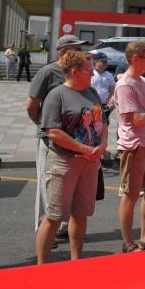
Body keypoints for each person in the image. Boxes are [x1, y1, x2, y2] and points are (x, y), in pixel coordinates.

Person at [36, 51, 105, 263]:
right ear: (74, 72)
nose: (93, 72)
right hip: (64, 161)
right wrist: (84, 149)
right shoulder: (56, 95)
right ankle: (42, 265)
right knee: (55, 216)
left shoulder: (91, 92)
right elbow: (53, 131)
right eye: (88, 69)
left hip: (89, 161)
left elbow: (102, 123)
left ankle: (76, 261)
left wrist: (101, 146)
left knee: (81, 213)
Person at [26, 34, 89, 235]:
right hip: (51, 138)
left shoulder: (79, 72)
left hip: (73, 139)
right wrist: (43, 125)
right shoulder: (48, 72)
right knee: (47, 185)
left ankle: (61, 227)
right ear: (63, 51)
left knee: (65, 186)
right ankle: (43, 228)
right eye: (76, 49)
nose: (80, 52)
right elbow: (32, 104)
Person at [114, 40, 145, 252]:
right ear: (136, 58)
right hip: (132, 145)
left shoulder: (144, 83)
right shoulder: (125, 84)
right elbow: (137, 119)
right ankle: (128, 243)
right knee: (131, 194)